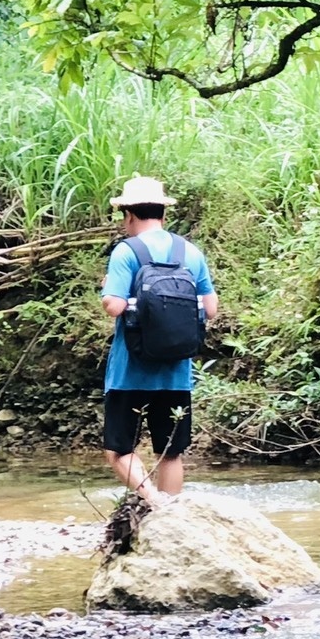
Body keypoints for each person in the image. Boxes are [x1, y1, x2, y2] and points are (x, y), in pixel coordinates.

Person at [98, 175, 218, 505]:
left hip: (130, 372)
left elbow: (114, 306)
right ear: (163, 213)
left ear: (129, 215)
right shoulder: (189, 252)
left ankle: (153, 502)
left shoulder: (126, 251)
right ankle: (171, 512)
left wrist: (108, 288)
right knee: (170, 452)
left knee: (118, 449)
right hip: (176, 372)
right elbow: (211, 309)